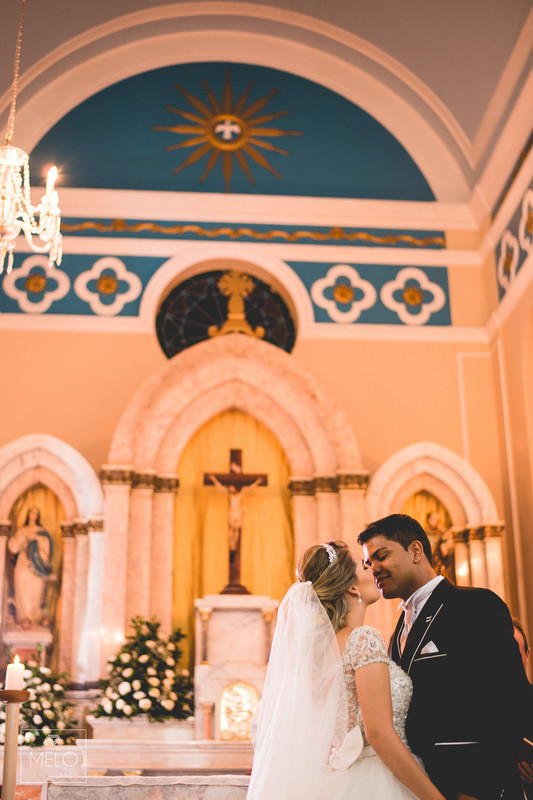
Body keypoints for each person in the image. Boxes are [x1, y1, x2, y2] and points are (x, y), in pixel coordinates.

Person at [247, 540, 446, 800]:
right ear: (352, 587)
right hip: (379, 779)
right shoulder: (363, 639)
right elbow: (380, 735)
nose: (373, 569)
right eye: (364, 566)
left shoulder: (318, 655)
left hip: (339, 779)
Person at [358, 513, 528, 800]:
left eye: (381, 556)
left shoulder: (475, 605)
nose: (373, 567)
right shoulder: (397, 632)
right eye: (368, 563)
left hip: (471, 786)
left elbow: (509, 699)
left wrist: (478, 788)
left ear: (415, 551)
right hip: (419, 786)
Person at [7, 506, 55, 628]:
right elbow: (13, 547)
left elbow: (46, 550)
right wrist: (23, 541)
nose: (33, 515)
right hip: (23, 562)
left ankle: (33, 617)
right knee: (22, 588)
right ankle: (23, 617)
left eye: (36, 513)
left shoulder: (42, 532)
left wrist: (37, 540)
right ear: (28, 514)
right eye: (31, 512)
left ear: (38, 516)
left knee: (35, 590)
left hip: (36, 565)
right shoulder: (22, 530)